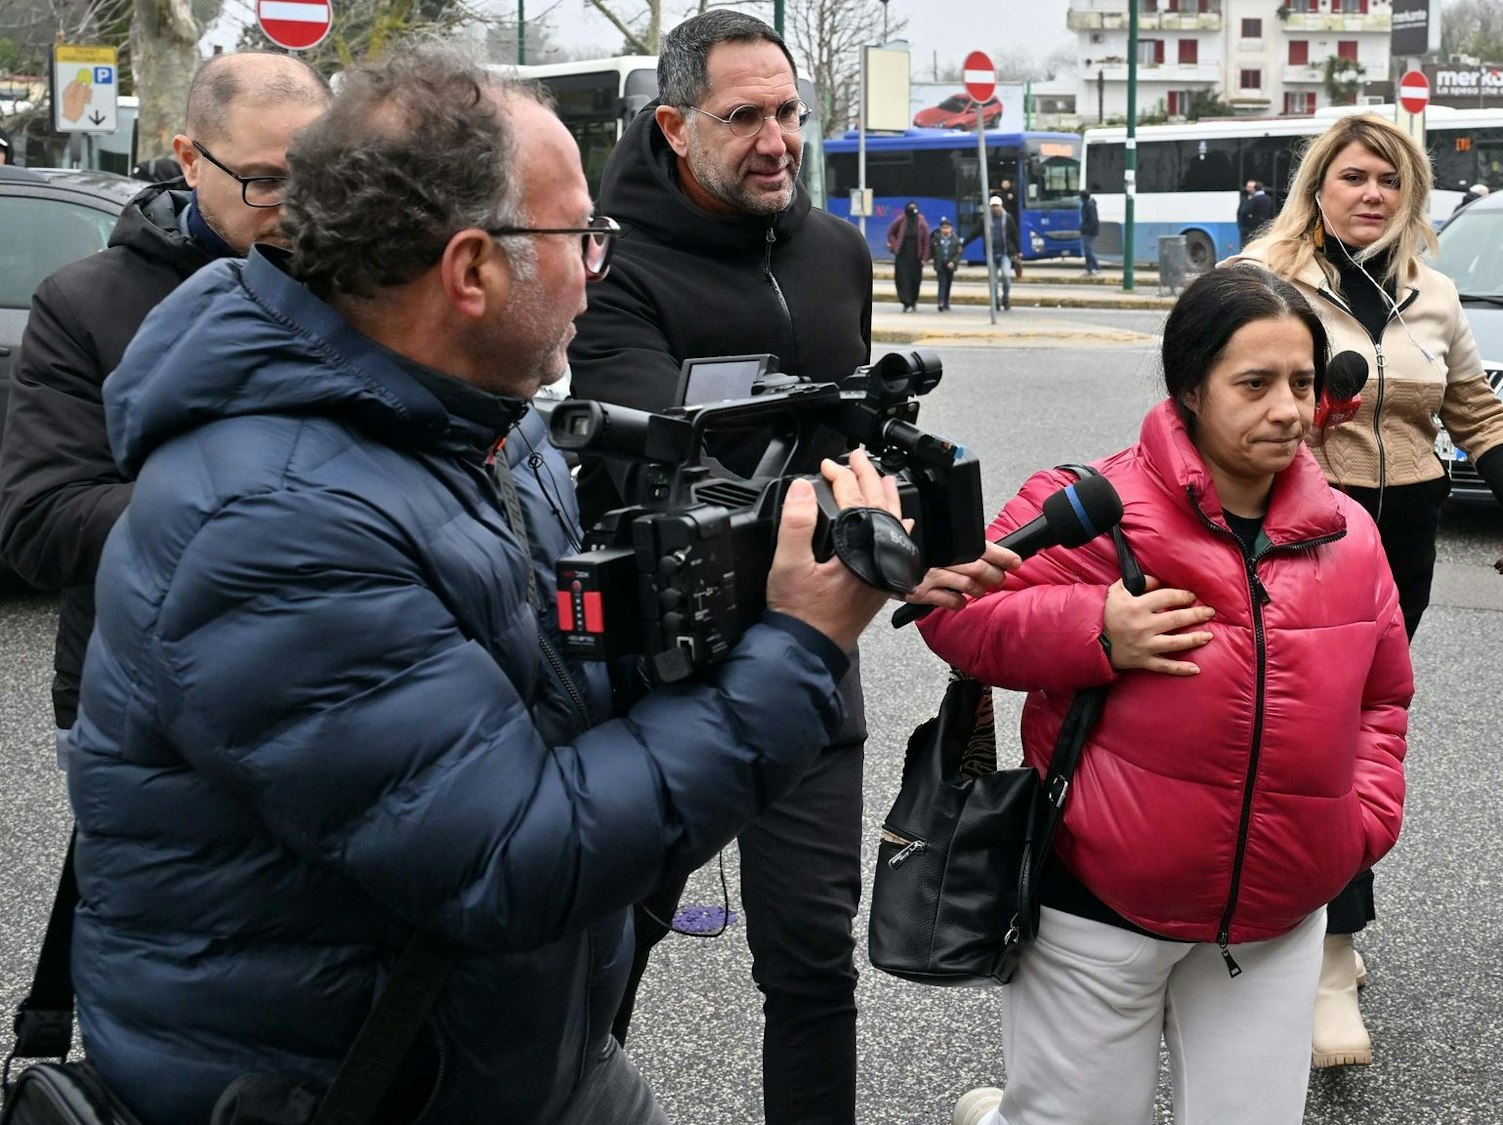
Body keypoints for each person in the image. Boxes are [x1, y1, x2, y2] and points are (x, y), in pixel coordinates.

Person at [62, 46, 918, 1125]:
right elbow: (512, 857)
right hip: (355, 1090)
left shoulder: (478, 426)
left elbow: (572, 696)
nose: (598, 268)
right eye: (580, 239)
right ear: (470, 273)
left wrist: (744, 586)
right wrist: (799, 646)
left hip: (508, 1060)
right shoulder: (271, 520)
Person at [565, 13, 1013, 1122]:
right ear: (672, 126)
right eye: (744, 117)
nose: (778, 140)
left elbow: (848, 453)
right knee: (599, 962)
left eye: (790, 113)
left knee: (812, 965)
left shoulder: (833, 250)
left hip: (812, 654)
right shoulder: (608, 262)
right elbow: (647, 477)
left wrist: (905, 556)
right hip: (654, 672)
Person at [924, 263, 1412, 1125]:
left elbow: (1383, 696)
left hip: (1278, 919)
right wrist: (1095, 630)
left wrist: (1359, 823)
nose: (1288, 410)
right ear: (1190, 387)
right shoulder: (1091, 508)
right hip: (1096, 912)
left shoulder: (1352, 534)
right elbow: (955, 616)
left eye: (1301, 382)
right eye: (1254, 384)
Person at [1232, 111, 1503, 1068]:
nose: (1371, 194)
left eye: (1390, 180)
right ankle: (1330, 955)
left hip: (1400, 536)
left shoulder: (1434, 293)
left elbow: (1476, 405)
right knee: (1307, 726)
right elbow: (1205, 393)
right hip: (1294, 530)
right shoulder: (1263, 279)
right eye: (1353, 177)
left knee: (1360, 727)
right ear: (1318, 187)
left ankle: (1321, 919)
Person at [0, 51, 329, 758]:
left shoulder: (367, 285)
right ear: (188, 159)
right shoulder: (84, 303)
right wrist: (269, 505)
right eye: (266, 181)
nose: (297, 210)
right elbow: (39, 522)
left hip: (330, 682)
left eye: (320, 179)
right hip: (142, 696)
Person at [887, 199, 929, 312]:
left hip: (916, 256)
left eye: (914, 208)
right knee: (902, 279)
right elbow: (890, 232)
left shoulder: (921, 222)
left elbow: (926, 241)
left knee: (915, 280)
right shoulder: (901, 219)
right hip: (903, 255)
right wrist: (894, 245)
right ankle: (906, 302)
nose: (912, 211)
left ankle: (914, 300)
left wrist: (925, 257)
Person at [985, 194, 1018, 310]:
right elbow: (976, 232)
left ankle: (1006, 298)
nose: (994, 208)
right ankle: (995, 301)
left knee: (1006, 276)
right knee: (993, 280)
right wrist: (963, 244)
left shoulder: (1007, 218)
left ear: (1001, 206)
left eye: (996, 206)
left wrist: (1018, 251)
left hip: (1005, 253)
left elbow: (1014, 234)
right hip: (992, 255)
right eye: (992, 206)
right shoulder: (986, 219)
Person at [931, 214, 963, 311]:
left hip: (950, 265)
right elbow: (933, 251)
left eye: (947, 228)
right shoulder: (936, 239)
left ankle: (946, 301)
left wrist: (953, 262)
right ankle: (940, 302)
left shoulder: (955, 240)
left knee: (948, 283)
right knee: (942, 283)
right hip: (940, 264)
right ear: (940, 229)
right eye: (943, 228)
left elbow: (958, 253)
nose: (945, 230)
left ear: (951, 229)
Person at [1236, 179, 1275, 248]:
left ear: (1255, 189)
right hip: (1265, 227)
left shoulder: (1253, 200)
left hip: (1251, 229)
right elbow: (1272, 213)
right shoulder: (1269, 199)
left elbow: (1244, 211)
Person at [999, 176, 1023, 279]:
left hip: (1010, 220)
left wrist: (1011, 198)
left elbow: (1016, 206)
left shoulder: (1013, 193)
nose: (1004, 185)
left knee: (1011, 240)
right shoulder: (999, 194)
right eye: (1003, 183)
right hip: (1002, 221)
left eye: (1006, 183)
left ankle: (1014, 261)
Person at [1079, 187, 1101, 275]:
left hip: (1089, 231)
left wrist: (1085, 228)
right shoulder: (1088, 205)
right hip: (1088, 230)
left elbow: (1093, 220)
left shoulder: (1089, 206)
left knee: (1088, 249)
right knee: (1087, 249)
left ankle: (1095, 266)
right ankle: (1089, 268)